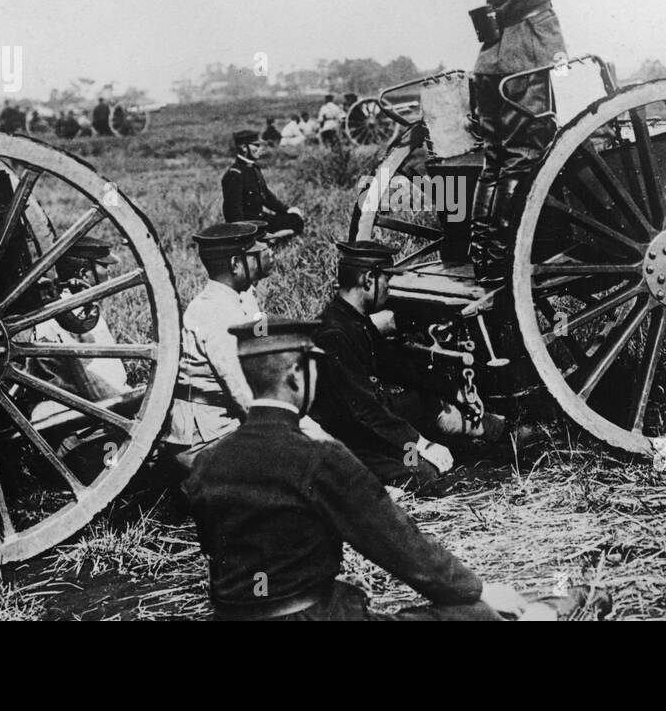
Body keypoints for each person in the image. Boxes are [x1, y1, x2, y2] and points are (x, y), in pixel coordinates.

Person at [183, 317, 608, 620]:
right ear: (297, 375)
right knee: (469, 615)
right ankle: (541, 614)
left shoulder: (207, 464)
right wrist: (477, 591)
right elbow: (404, 549)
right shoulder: (320, 459)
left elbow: (225, 558)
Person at [457, 0, 585, 284]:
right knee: (522, 156)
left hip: (495, 57)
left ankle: (485, 253)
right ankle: (501, 258)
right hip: (527, 50)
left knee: (496, 160)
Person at [313, 241, 507, 494]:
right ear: (369, 279)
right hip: (350, 439)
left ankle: (500, 433)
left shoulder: (353, 320)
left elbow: (396, 367)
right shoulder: (333, 334)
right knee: (422, 474)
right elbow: (364, 412)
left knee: (427, 403)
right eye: (387, 280)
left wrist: (452, 391)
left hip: (367, 423)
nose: (388, 289)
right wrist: (421, 444)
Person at [159, 223, 327, 476]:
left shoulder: (232, 300)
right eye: (255, 255)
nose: (265, 257)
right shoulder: (218, 314)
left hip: (222, 424)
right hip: (206, 438)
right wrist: (320, 442)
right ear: (236, 264)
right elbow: (247, 397)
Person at [221, 129, 306, 235]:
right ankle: (269, 240)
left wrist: (287, 210)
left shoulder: (254, 168)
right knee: (293, 224)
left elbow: (267, 196)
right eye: (256, 145)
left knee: (295, 219)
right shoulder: (234, 174)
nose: (260, 149)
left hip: (261, 220)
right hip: (250, 227)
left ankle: (272, 239)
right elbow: (233, 214)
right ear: (243, 148)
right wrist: (244, 234)